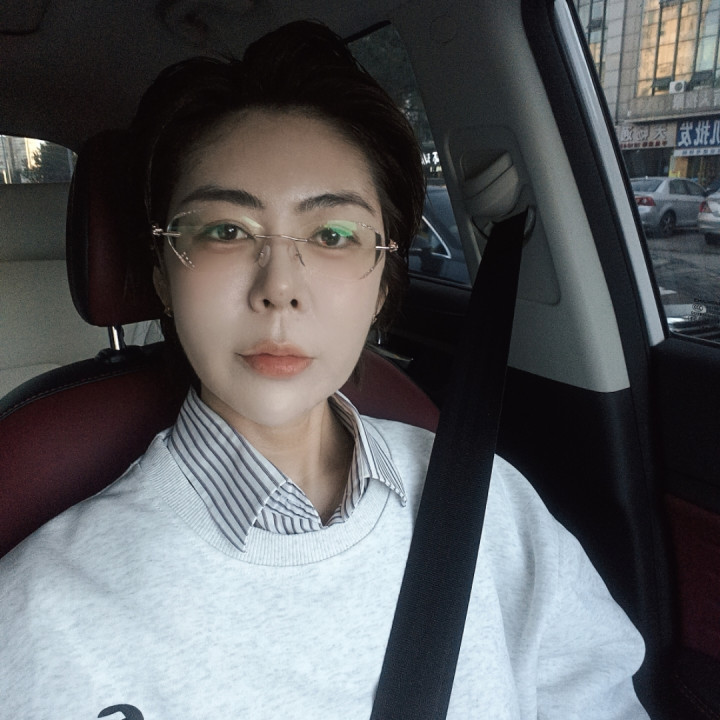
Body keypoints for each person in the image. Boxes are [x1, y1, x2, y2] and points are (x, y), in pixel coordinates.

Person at [0, 20, 649, 719]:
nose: (279, 286)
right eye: (225, 230)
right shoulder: (42, 613)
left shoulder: (489, 504)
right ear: (162, 272)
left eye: (334, 234)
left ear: (383, 282)